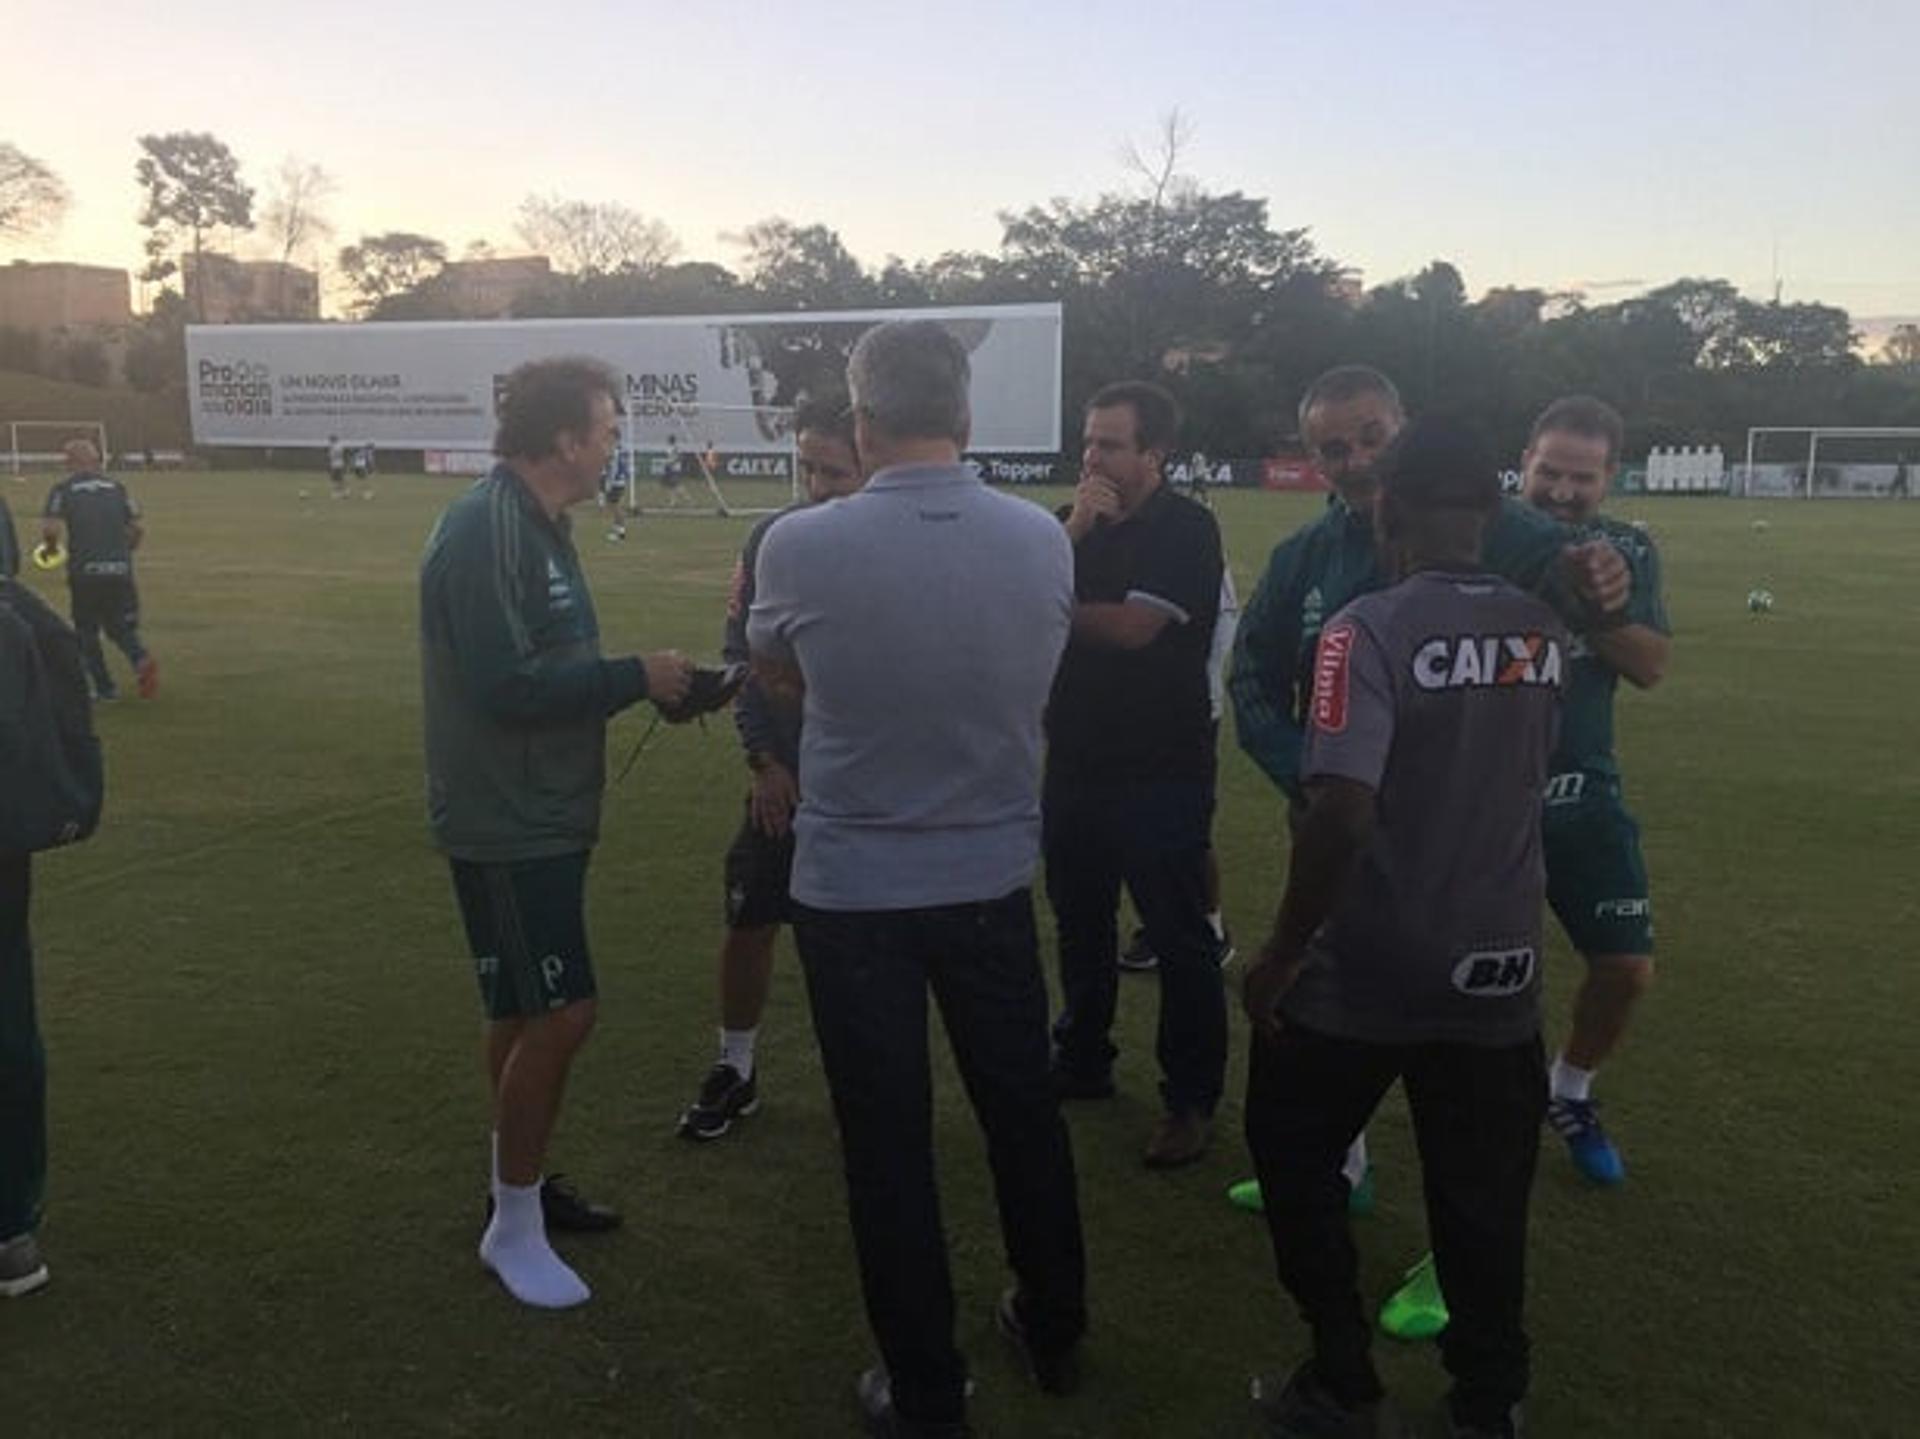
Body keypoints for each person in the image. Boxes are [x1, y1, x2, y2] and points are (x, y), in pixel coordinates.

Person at [749, 320, 1086, 1437]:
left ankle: (927, 1388)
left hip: (854, 887)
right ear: (969, 418)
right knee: (1021, 1112)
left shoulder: (799, 543)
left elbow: (781, 669)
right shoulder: (1043, 538)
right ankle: (1056, 1320)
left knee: (887, 1141)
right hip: (989, 869)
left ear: (859, 422)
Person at [1229, 365, 1629, 1203]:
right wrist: (1305, 774)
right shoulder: (1303, 554)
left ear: (1403, 428)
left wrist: (1605, 583)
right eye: (1332, 448)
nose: (1355, 459)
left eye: (1372, 437)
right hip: (1344, 820)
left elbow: (1597, 611)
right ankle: (1344, 1169)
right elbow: (1255, 676)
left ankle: (1457, 1250)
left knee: (1467, 1045)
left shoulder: (1514, 534)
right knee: (1337, 999)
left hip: (1478, 836)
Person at [1242, 416, 1567, 1439]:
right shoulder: (1541, 629)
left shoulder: (1364, 628)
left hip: (1367, 964)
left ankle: (1342, 1375)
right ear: (1494, 512)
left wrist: (1285, 949)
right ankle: (1486, 1400)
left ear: (1386, 509)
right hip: (1500, 967)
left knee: (1292, 1158)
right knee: (1482, 1201)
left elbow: (1342, 802)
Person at [419, 357, 693, 1310]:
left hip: (541, 807)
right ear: (566, 440)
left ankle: (518, 1189)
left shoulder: (539, 523)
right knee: (563, 1012)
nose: (615, 443)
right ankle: (514, 1225)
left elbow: (547, 664)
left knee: (518, 1011)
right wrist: (634, 677)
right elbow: (505, 685)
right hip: (508, 816)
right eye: (608, 428)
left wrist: (664, 689)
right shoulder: (487, 527)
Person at [1044, 381, 1226, 1168]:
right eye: (1088, 441)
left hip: (1161, 766)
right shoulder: (1068, 527)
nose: (1093, 456)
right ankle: (1082, 1059)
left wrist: (1048, 602)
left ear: (1155, 453)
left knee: (1179, 939)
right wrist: (1075, 533)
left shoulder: (1186, 528)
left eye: (1111, 443)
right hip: (1075, 759)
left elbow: (1130, 628)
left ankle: (1189, 1099)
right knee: (1080, 922)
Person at [676, 396, 864, 1141]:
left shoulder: (897, 548)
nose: (817, 485)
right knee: (752, 916)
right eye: (807, 466)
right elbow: (739, 659)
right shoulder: (772, 539)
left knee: (858, 941)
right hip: (786, 772)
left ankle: (865, 1076)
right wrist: (763, 762)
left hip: (870, 783)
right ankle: (736, 1066)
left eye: (836, 471)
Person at [41, 439, 158, 703]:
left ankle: (105, 688)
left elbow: (51, 528)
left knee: (86, 630)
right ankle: (140, 659)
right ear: (96, 461)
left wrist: (50, 549)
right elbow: (136, 529)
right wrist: (125, 552)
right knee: (117, 624)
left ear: (69, 463)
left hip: (85, 569)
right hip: (119, 568)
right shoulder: (118, 488)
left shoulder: (63, 489)